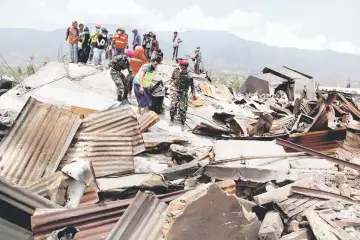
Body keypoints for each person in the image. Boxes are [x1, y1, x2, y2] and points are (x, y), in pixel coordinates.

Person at [170, 60, 197, 130]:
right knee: (173, 106)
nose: (180, 67)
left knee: (183, 109)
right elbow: (172, 78)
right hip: (176, 91)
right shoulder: (177, 72)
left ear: (184, 67)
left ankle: (182, 123)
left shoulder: (189, 76)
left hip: (184, 93)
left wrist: (194, 95)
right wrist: (173, 77)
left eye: (181, 66)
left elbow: (192, 87)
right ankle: (172, 119)